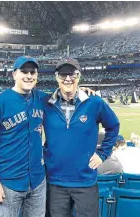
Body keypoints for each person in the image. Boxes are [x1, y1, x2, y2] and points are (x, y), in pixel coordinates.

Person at [0, 56, 95, 217]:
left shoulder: (42, 99)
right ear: (14, 74)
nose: (29, 75)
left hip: (38, 182)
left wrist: (80, 90)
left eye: (33, 72)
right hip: (8, 183)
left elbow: (66, 92)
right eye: (24, 71)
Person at [42, 58, 120, 217]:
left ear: (79, 76)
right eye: (63, 74)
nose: (68, 78)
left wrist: (102, 154)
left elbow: (113, 126)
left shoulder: (95, 102)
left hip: (85, 180)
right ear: (56, 77)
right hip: (55, 182)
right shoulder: (45, 103)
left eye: (72, 74)